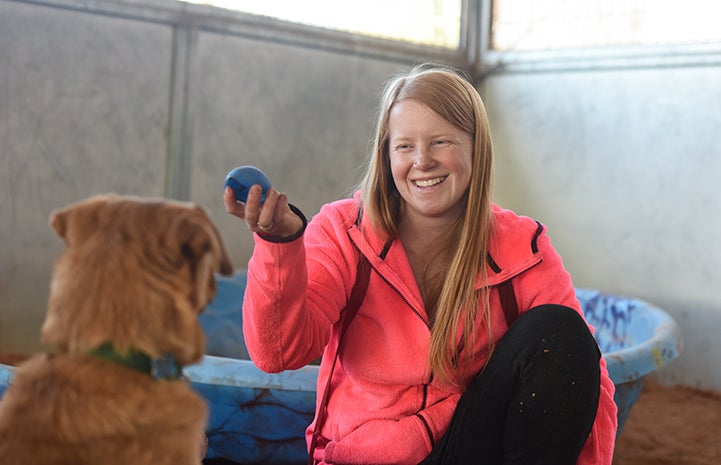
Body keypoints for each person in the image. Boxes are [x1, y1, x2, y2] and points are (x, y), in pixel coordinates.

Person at [223, 63, 618, 465]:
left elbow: (583, 380)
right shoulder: (343, 231)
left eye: (441, 141)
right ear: (387, 155)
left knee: (560, 332)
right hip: (366, 457)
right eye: (405, 146)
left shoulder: (523, 248)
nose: (422, 161)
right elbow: (277, 354)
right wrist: (280, 244)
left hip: (464, 447)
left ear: (475, 148)